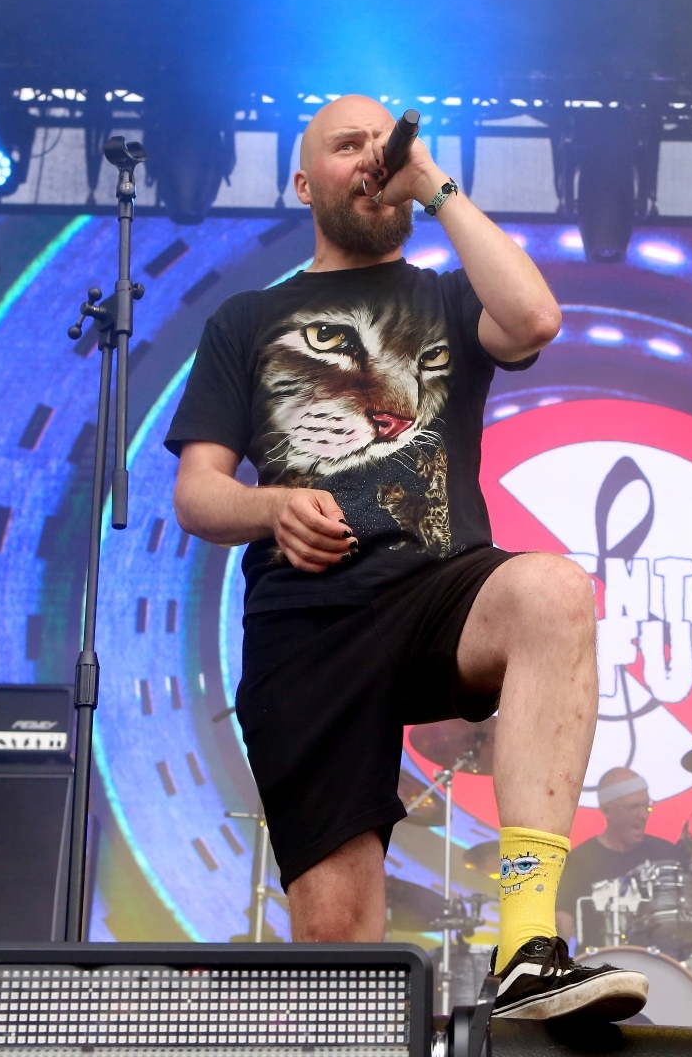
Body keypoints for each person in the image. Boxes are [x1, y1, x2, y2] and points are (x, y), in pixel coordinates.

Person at [166, 94, 646, 1020]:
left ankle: (528, 945)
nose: (372, 158)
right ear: (303, 183)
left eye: (384, 145)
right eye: (347, 146)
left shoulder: (446, 295)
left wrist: (434, 185)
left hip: (437, 588)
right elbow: (197, 494)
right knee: (336, 948)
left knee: (552, 590)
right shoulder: (246, 319)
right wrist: (272, 506)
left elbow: (535, 319)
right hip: (305, 622)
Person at [556, 768, 684, 949]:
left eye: (646, 806)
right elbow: (561, 929)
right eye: (634, 807)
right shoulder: (578, 862)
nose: (643, 814)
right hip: (598, 965)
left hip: (659, 962)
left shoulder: (667, 855)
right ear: (607, 810)